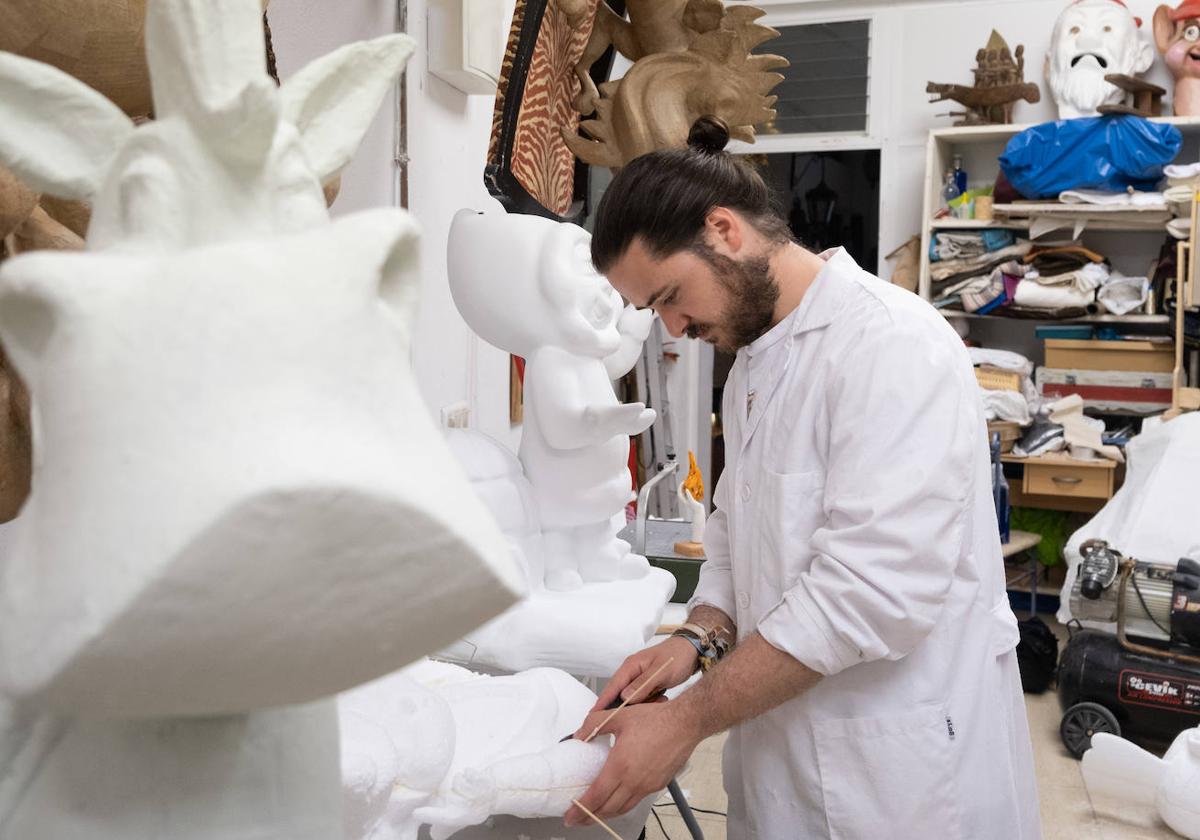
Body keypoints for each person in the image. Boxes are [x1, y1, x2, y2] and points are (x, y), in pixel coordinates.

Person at [562, 116, 1042, 839]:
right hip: (782, 758)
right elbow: (738, 542)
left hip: (895, 774)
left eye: (667, 295)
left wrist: (688, 718)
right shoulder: (752, 361)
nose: (670, 329)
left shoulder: (891, 346)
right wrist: (695, 639)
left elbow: (872, 594)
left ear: (724, 231)